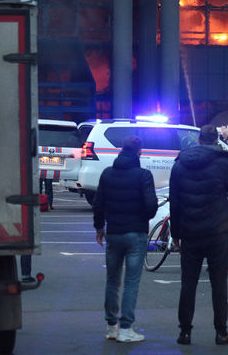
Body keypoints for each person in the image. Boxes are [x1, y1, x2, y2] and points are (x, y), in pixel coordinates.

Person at [169, 124, 228, 346]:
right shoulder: (222, 162)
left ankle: (185, 332)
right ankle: (221, 332)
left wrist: (175, 233)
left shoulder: (180, 163)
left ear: (199, 139)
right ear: (215, 141)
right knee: (218, 283)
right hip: (217, 230)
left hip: (190, 231)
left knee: (188, 283)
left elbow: (175, 200)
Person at [92, 136, 158, 343]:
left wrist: (99, 228)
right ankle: (127, 328)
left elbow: (98, 203)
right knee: (131, 282)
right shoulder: (144, 175)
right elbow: (151, 206)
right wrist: (142, 218)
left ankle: (112, 326)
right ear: (139, 152)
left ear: (121, 150)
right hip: (135, 233)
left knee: (112, 280)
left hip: (113, 232)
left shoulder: (107, 174)